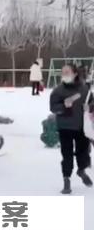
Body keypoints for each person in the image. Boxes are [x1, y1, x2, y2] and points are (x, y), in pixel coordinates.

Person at [50, 64, 93, 194]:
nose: (65, 75)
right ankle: (66, 179)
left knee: (83, 152)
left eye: (67, 72)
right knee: (66, 154)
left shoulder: (84, 89)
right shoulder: (58, 91)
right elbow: (53, 107)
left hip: (81, 127)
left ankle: (81, 170)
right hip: (65, 127)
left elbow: (92, 102)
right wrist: (63, 106)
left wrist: (90, 108)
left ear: (75, 74)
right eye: (63, 73)